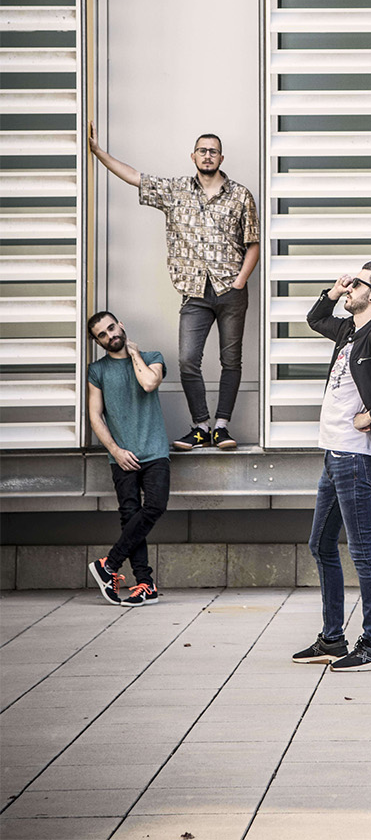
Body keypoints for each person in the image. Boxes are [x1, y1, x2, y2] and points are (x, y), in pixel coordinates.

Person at [89, 125, 259, 451]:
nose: (207, 155)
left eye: (213, 151)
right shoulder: (175, 190)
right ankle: (201, 426)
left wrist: (239, 281)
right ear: (193, 156)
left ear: (221, 158)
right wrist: (98, 152)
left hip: (231, 291)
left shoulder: (241, 195)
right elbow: (135, 177)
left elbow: (253, 242)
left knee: (231, 360)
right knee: (188, 360)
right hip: (194, 291)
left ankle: (222, 427)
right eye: (202, 150)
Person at [291, 262, 371, 672]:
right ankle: (332, 638)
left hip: (354, 455)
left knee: (362, 551)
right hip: (334, 453)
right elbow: (316, 319)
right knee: (321, 545)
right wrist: (332, 292)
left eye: (356, 283)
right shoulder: (350, 329)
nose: (349, 287)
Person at [86, 312, 170, 607]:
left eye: (112, 328)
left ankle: (109, 563)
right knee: (130, 516)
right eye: (102, 335)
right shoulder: (97, 370)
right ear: (97, 342)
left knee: (155, 506)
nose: (110, 336)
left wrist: (134, 353)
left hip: (155, 451)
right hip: (122, 457)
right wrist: (116, 451)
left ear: (120, 325)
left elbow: (149, 383)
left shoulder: (151, 357)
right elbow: (95, 416)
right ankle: (145, 584)